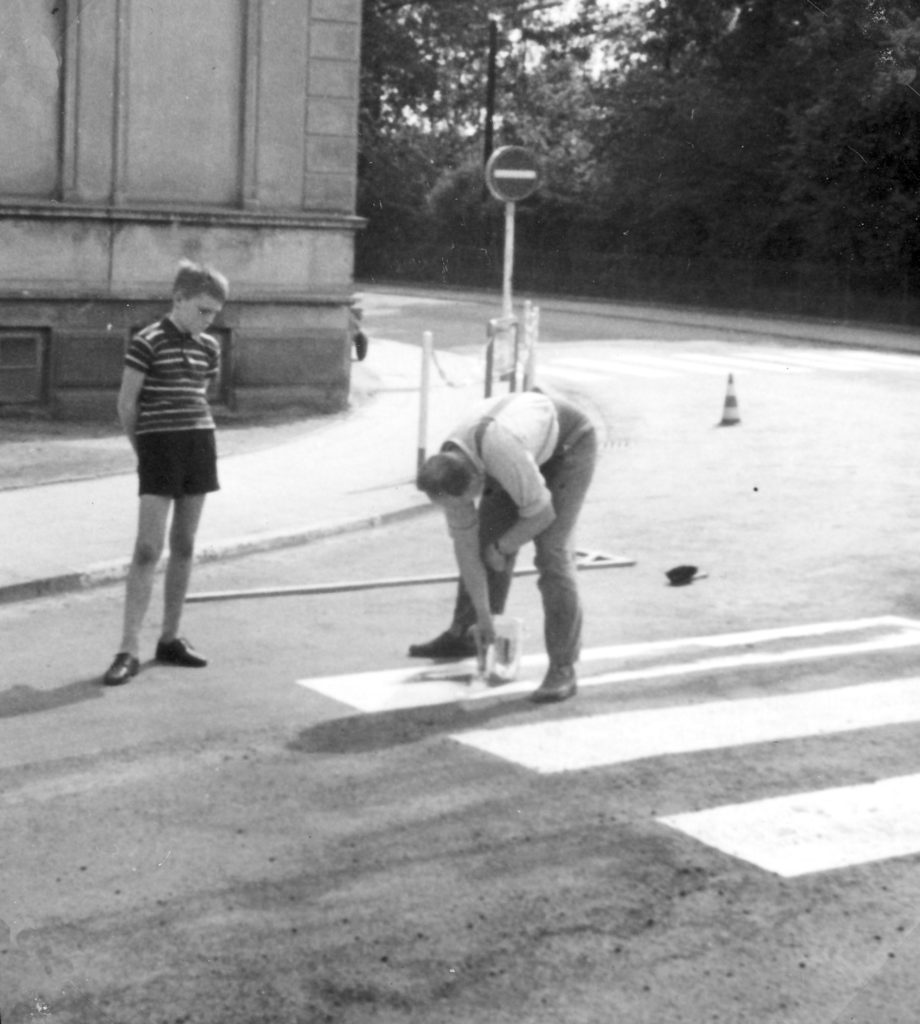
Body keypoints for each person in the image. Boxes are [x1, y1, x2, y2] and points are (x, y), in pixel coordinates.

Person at [411, 389, 597, 703]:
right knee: (483, 543)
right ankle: (470, 634)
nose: (460, 510)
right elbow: (467, 551)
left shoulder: (502, 453)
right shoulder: (450, 469)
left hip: (569, 446)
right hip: (520, 450)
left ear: (476, 483)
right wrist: (483, 616)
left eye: (463, 503)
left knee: (553, 555)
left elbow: (543, 514)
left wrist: (504, 546)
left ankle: (563, 668)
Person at [102, 259, 230, 686]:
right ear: (178, 299)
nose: (209, 321)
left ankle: (170, 638)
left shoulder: (209, 346)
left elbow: (200, 397)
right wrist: (145, 451)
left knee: (186, 544)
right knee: (146, 548)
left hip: (198, 444)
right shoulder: (148, 341)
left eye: (215, 314)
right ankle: (128, 648)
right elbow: (126, 405)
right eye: (203, 310)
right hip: (159, 447)